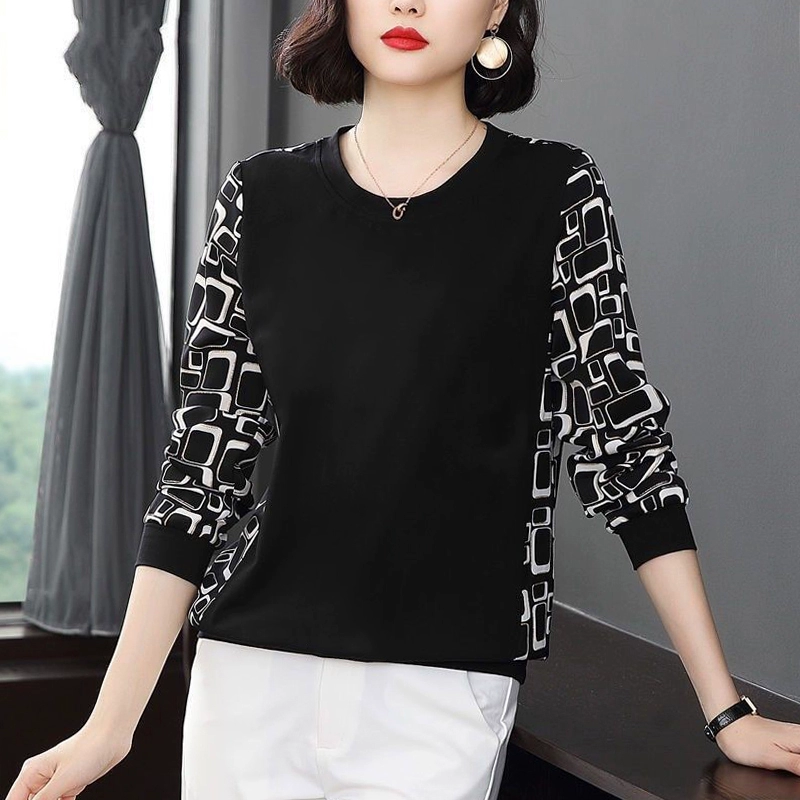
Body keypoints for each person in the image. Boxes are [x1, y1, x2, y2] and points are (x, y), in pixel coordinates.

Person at [8, 1, 800, 799]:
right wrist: (109, 727)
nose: (408, 1)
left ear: (497, 9)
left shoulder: (555, 193)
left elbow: (627, 451)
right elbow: (200, 470)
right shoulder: (260, 196)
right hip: (247, 681)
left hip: (444, 694)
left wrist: (725, 709)